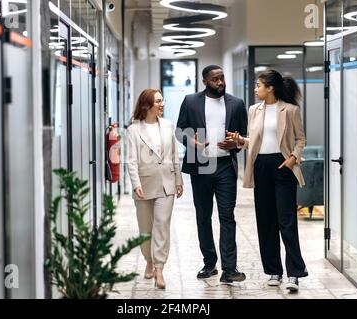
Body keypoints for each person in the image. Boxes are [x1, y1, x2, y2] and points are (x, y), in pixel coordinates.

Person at [231, 69, 309, 292]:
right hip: (261, 167)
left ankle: (294, 273)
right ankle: (274, 271)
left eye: (258, 85)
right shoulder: (254, 110)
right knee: (265, 222)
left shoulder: (291, 110)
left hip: (283, 166)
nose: (256, 89)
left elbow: (300, 138)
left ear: (270, 88)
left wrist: (294, 158)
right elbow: (254, 142)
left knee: (287, 222)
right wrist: (240, 141)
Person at [176, 65, 248, 283]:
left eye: (222, 78)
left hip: (226, 166)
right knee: (203, 216)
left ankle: (229, 269)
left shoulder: (236, 103)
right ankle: (209, 263)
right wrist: (193, 143)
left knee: (227, 216)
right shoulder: (190, 101)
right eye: (215, 79)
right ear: (205, 81)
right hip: (201, 165)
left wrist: (235, 142)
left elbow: (243, 135)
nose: (221, 83)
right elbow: (180, 131)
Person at [127, 88, 183, 289]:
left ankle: (159, 268)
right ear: (147, 105)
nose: (162, 104)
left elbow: (175, 155)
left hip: (166, 183)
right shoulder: (134, 130)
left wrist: (178, 181)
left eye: (162, 100)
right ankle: (148, 261)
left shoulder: (168, 126)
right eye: (158, 101)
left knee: (161, 224)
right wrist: (136, 184)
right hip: (144, 184)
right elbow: (131, 161)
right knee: (145, 228)